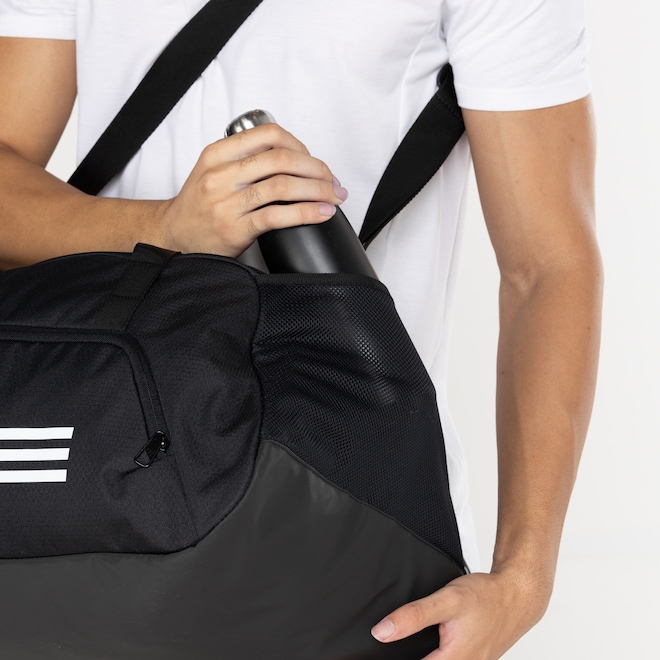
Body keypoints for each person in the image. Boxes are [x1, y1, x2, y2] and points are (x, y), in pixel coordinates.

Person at [0, 0, 602, 657]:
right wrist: (160, 228)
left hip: (341, 506)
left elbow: (547, 266)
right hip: (98, 492)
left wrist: (523, 579)